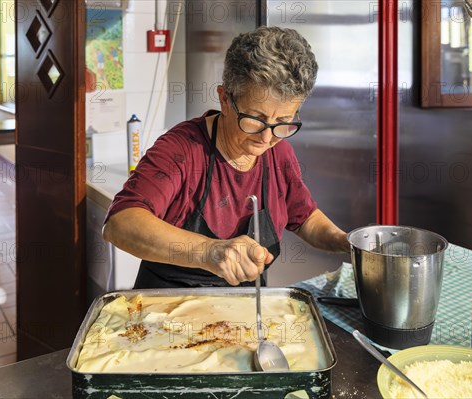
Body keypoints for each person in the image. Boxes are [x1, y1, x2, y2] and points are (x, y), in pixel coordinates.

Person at [102, 26, 349, 289]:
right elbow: (120, 223)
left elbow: (305, 218)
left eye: (283, 122)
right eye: (255, 120)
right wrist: (211, 252)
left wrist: (348, 243)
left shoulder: (279, 152)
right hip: (167, 314)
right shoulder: (182, 149)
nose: (267, 138)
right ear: (224, 99)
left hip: (243, 314)